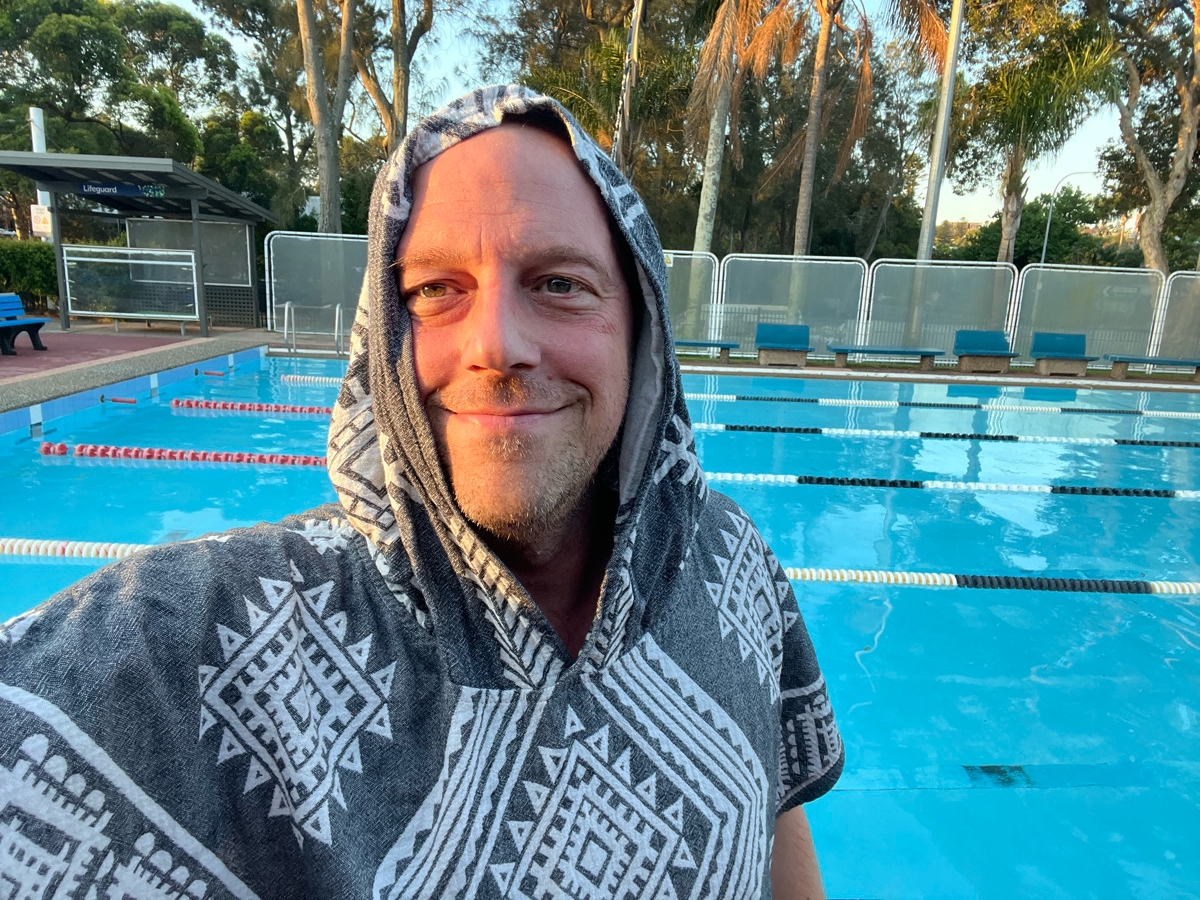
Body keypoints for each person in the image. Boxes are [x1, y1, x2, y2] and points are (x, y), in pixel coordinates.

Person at [0, 85, 842, 899]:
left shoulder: (730, 560)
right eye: (437, 290)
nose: (497, 346)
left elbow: (776, 802)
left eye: (560, 283)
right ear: (384, 337)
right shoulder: (211, 639)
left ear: (642, 331)